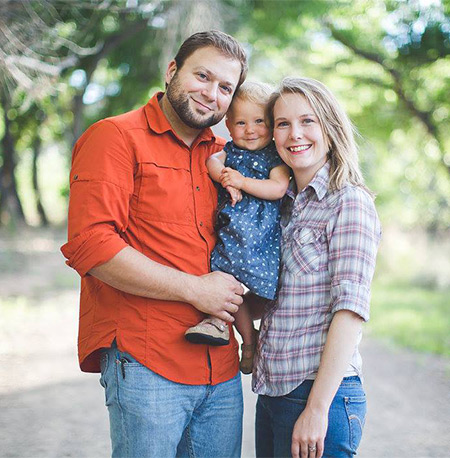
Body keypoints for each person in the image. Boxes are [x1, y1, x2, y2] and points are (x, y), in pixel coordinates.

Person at [61, 30, 249, 458]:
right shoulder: (115, 137)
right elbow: (91, 245)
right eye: (203, 76)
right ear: (172, 71)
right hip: (147, 361)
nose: (212, 94)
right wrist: (195, 289)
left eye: (226, 87)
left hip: (220, 370)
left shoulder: (225, 156)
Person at [252, 77, 382, 458]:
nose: (296, 134)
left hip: (318, 395)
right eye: (282, 123)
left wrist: (317, 409)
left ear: (330, 127)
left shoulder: (349, 202)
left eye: (308, 121)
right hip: (274, 395)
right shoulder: (284, 207)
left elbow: (350, 311)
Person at [184, 82, 290, 374]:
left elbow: (278, 188)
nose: (250, 129)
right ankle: (246, 339)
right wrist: (224, 177)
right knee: (227, 285)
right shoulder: (228, 152)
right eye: (241, 122)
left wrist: (241, 182)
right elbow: (210, 162)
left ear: (271, 125)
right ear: (228, 126)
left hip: (260, 239)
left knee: (255, 289)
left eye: (259, 121)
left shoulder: (274, 158)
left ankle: (259, 338)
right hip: (231, 237)